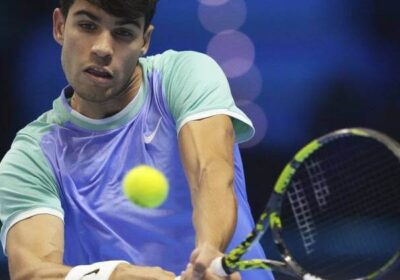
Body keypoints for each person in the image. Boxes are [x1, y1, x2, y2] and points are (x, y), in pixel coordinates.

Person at [0, 0, 275, 279]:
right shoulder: (33, 155)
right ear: (59, 26)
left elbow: (211, 171)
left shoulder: (184, 76)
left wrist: (210, 251)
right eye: (87, 26)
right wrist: (114, 275)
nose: (102, 49)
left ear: (144, 40)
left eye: (123, 33)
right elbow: (32, 271)